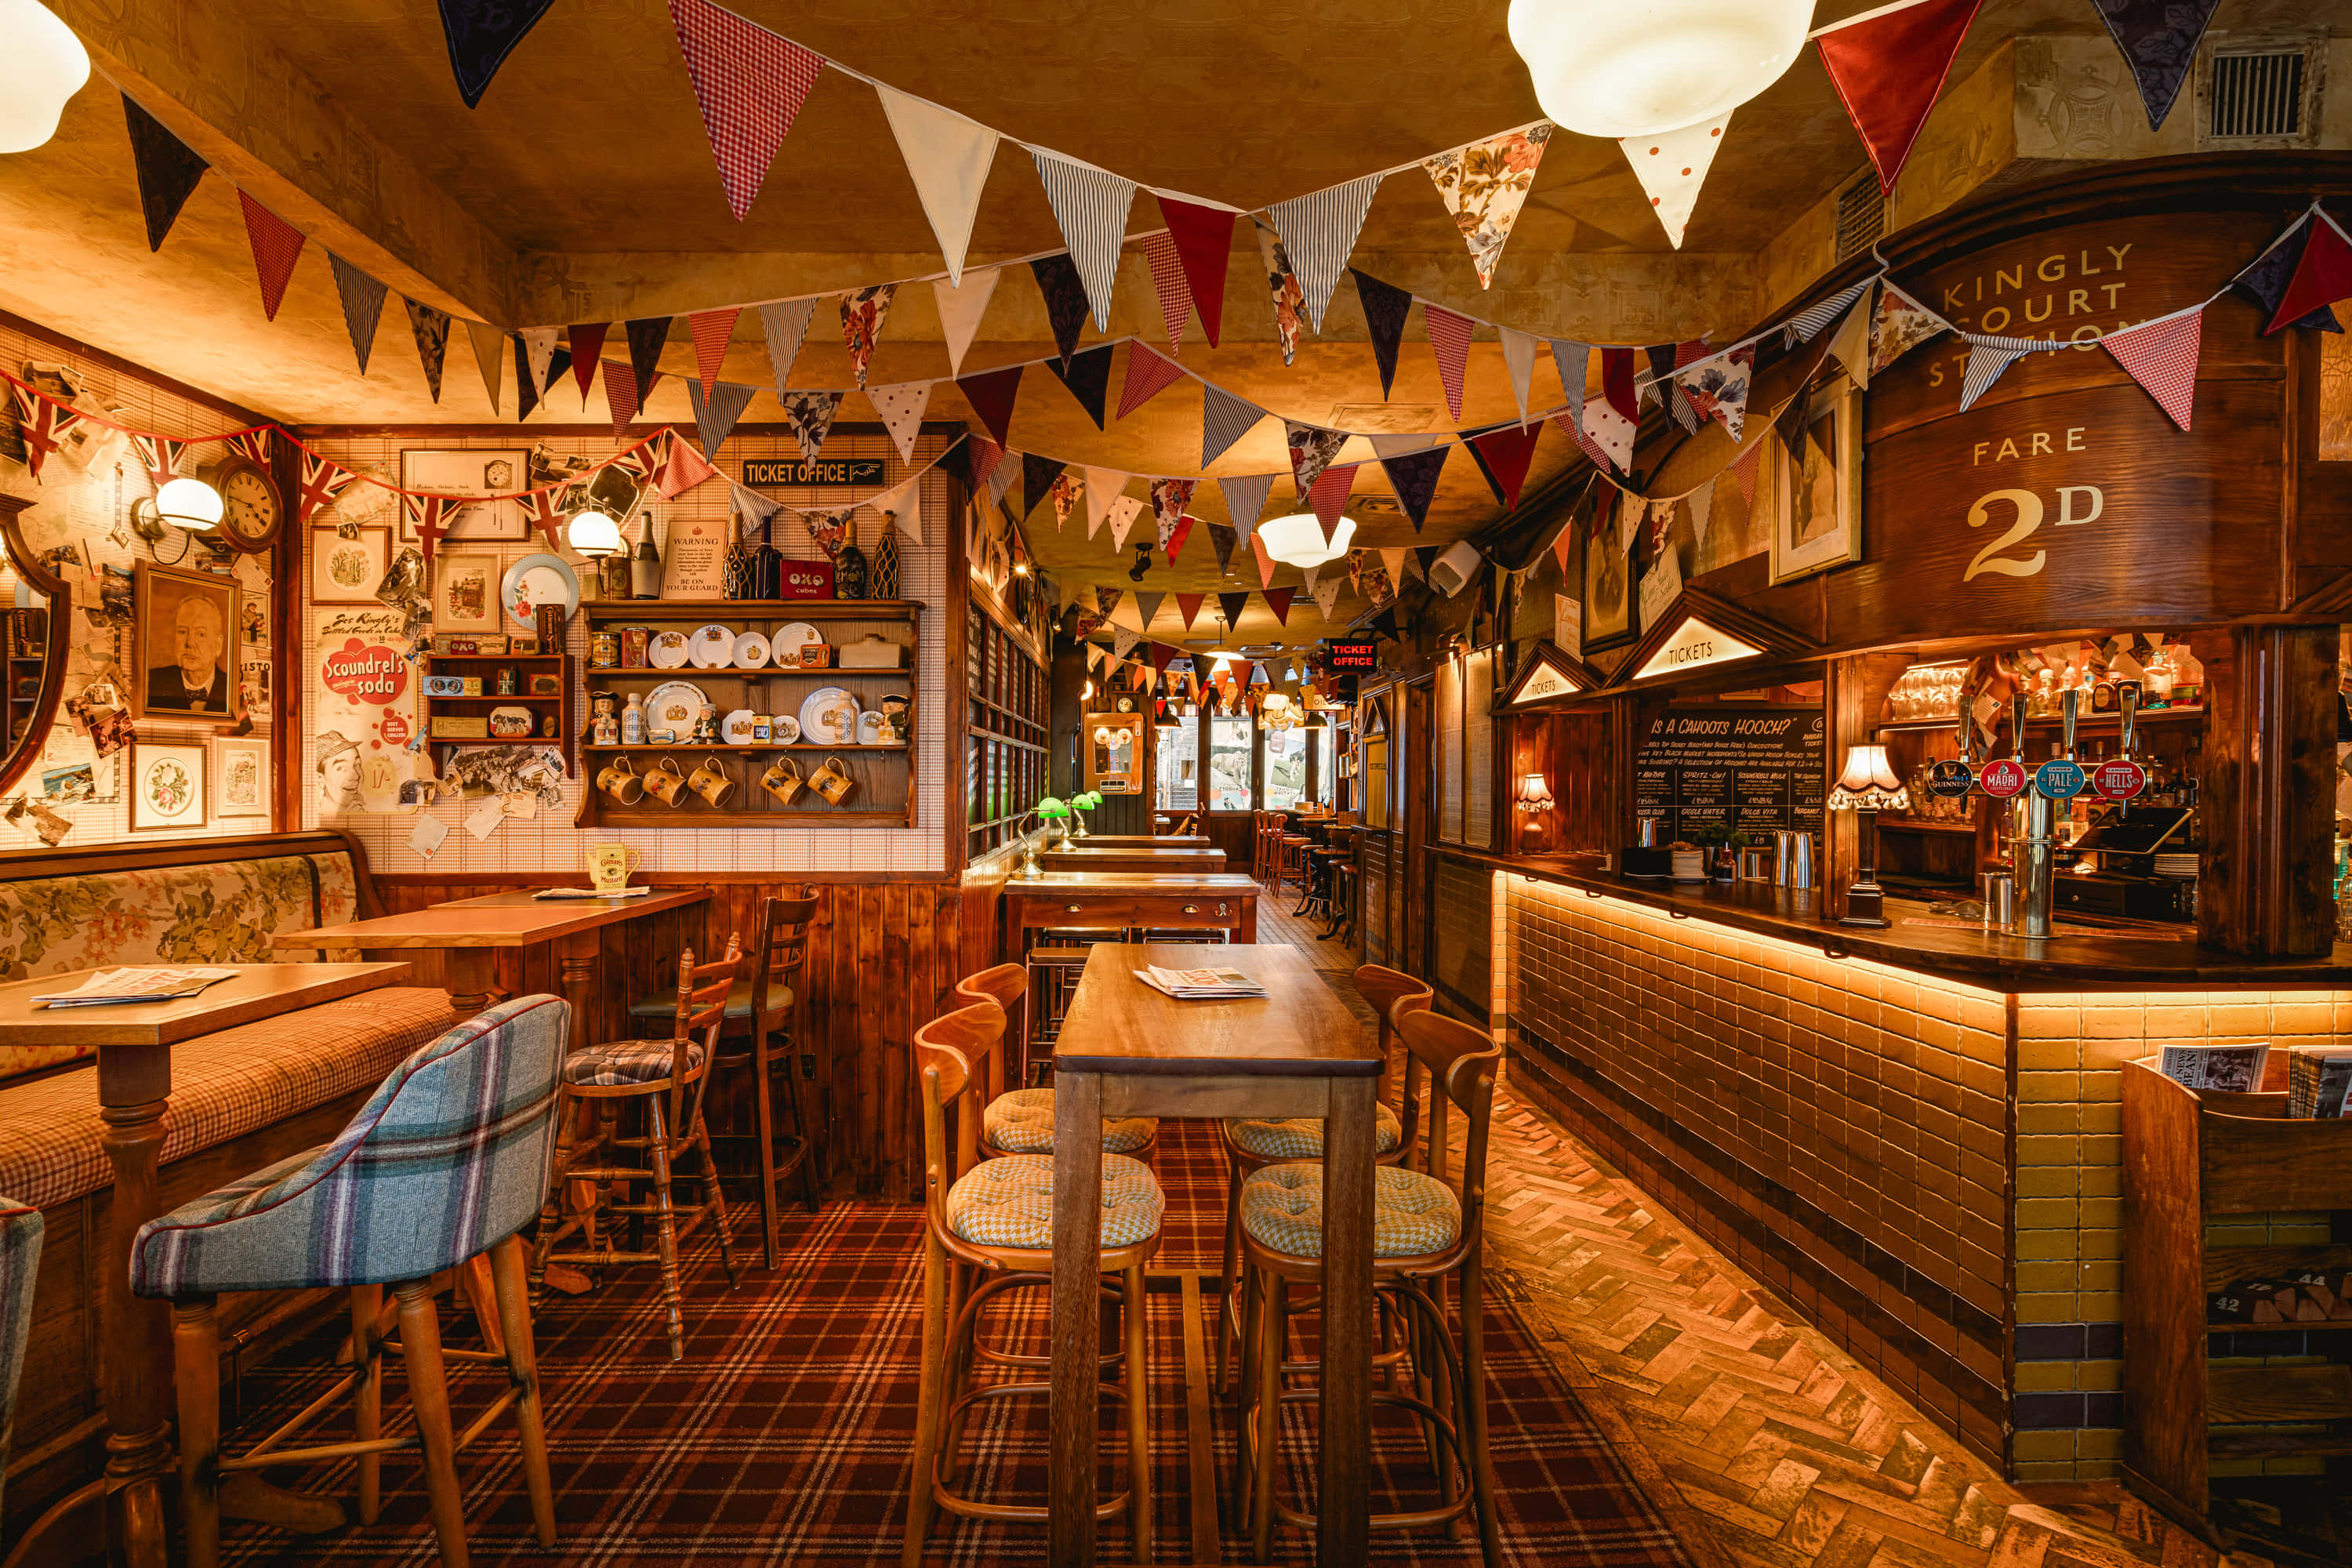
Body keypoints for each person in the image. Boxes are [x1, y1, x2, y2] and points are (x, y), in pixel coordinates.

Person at [147, 593, 230, 713]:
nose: (190, 642)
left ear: (218, 645)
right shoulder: (150, 682)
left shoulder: (233, 690)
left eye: (201, 634)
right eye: (182, 632)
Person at [317, 732, 364, 815]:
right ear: (320, 779)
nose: (356, 776)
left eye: (357, 764)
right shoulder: (315, 819)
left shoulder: (361, 812)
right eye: (341, 768)